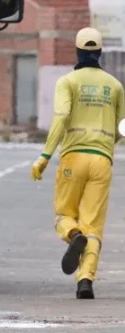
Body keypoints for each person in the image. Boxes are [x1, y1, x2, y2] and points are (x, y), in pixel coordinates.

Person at [31, 27, 125, 299]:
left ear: (78, 51)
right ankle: (85, 279)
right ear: (100, 53)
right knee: (93, 226)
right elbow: (122, 126)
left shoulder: (68, 82)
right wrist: (107, 146)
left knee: (64, 215)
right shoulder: (115, 86)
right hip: (102, 161)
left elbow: (61, 118)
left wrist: (44, 156)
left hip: (73, 157)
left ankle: (72, 235)